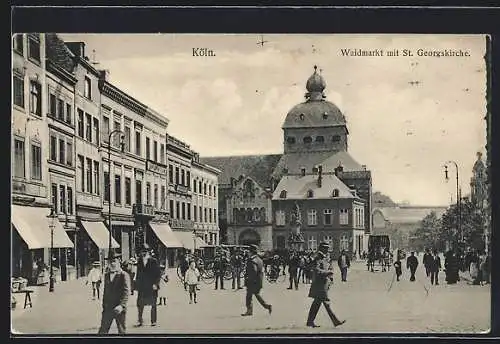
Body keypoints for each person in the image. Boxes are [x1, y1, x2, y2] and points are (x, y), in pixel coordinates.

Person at [306, 242, 345, 328]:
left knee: (316, 303)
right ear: (322, 249)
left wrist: (330, 277)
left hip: (323, 283)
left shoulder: (325, 258)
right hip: (319, 284)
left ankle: (310, 321)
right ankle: (336, 321)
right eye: (326, 248)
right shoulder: (317, 258)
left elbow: (329, 267)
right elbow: (316, 270)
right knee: (326, 302)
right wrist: (327, 272)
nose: (328, 250)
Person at [97, 251, 129, 335]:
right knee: (102, 331)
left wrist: (122, 305)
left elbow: (126, 292)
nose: (112, 264)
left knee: (121, 331)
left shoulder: (123, 275)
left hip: (119, 308)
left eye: (114, 261)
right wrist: (104, 305)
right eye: (110, 262)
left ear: (119, 261)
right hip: (108, 308)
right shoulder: (106, 275)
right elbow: (105, 291)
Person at [135, 244, 162, 327]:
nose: (143, 253)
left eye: (145, 251)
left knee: (153, 304)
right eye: (142, 251)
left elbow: (158, 274)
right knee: (140, 304)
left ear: (148, 252)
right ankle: (140, 320)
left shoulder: (153, 261)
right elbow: (138, 274)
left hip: (152, 286)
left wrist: (156, 284)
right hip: (142, 286)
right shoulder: (139, 261)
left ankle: (153, 321)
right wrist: (137, 285)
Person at [241, 244, 272, 316]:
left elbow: (253, 271)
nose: (248, 253)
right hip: (258, 280)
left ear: (251, 252)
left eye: (249, 251)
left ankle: (249, 310)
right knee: (256, 294)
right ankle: (267, 306)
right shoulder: (259, 259)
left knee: (249, 296)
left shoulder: (252, 260)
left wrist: (248, 278)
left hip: (252, 281)